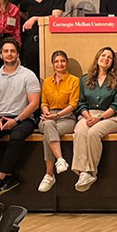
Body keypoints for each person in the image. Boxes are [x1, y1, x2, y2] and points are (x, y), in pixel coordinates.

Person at [0, 38, 40, 197]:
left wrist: (17, 120)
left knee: (17, 137)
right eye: (6, 51)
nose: (9, 54)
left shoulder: (28, 75)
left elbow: (34, 103)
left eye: (12, 51)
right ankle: (8, 175)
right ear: (1, 55)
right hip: (0, 117)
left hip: (23, 118)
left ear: (18, 54)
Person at [71, 46, 117, 192]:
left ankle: (91, 171)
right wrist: (88, 117)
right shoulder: (85, 79)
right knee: (80, 130)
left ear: (112, 62)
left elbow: (116, 105)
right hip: (88, 114)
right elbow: (81, 103)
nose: (106, 59)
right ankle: (82, 172)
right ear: (98, 57)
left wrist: (99, 118)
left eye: (109, 57)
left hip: (109, 117)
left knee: (94, 133)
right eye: (103, 55)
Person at [36, 50, 80, 193]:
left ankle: (49, 174)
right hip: (48, 116)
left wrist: (57, 116)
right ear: (52, 64)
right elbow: (43, 102)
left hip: (66, 117)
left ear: (66, 63)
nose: (59, 64)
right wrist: (46, 113)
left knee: (48, 133)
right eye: (56, 61)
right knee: (48, 125)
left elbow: (73, 104)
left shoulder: (74, 81)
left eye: (62, 61)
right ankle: (60, 160)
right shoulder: (47, 82)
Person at [18, 0, 65, 73]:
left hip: (51, 42)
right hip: (31, 43)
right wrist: (28, 19)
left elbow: (55, 18)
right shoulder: (27, 0)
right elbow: (20, 12)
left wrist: (35, 19)